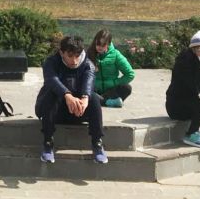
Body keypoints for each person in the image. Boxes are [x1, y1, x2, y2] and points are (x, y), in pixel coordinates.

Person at [35, 35, 108, 164]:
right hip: (53, 111)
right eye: (70, 56)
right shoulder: (51, 62)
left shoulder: (87, 64)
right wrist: (66, 95)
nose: (74, 61)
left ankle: (97, 143)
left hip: (78, 111)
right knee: (52, 94)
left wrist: (85, 98)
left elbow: (89, 82)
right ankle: (48, 142)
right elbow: (52, 80)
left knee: (94, 99)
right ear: (61, 52)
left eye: (77, 56)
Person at [87, 29, 135, 108]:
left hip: (111, 90)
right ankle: (108, 102)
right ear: (95, 42)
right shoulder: (89, 53)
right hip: (95, 89)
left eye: (103, 45)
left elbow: (130, 74)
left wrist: (115, 82)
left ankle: (100, 101)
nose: (100, 47)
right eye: (98, 44)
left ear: (108, 44)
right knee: (83, 90)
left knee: (127, 88)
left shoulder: (115, 54)